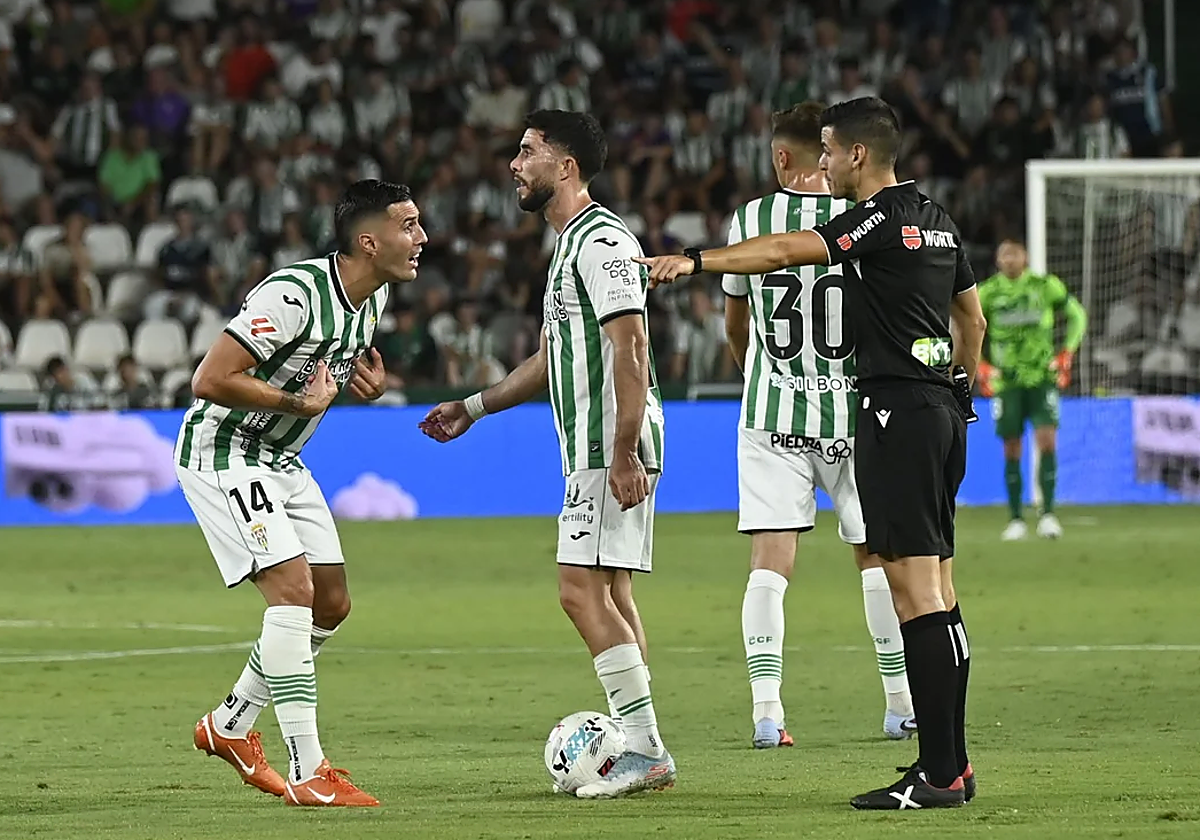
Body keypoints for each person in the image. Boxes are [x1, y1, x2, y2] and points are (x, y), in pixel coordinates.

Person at [636, 97, 988, 811]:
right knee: (940, 594)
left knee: (915, 594)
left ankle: (938, 774)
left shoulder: (874, 218)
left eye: (829, 150)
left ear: (858, 154)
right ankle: (951, 765)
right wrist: (958, 387)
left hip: (892, 414)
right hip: (941, 414)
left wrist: (694, 260)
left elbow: (782, 252)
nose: (823, 163)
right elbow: (972, 321)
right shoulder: (937, 219)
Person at [419, 110, 675, 799]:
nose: (514, 163)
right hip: (601, 442)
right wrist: (473, 407)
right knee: (612, 591)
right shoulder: (568, 247)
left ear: (565, 167)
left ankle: (645, 748)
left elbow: (631, 346)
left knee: (576, 590)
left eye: (527, 151)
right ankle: (640, 743)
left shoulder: (602, 240)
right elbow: (547, 359)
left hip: (608, 442)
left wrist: (622, 452)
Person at [177, 179, 422, 808]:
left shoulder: (374, 297)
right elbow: (210, 378)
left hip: (282, 459)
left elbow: (328, 366)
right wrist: (296, 403)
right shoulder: (293, 295)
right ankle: (309, 769)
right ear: (369, 242)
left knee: (330, 603)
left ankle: (230, 724)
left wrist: (365, 383)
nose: (422, 237)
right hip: (225, 452)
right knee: (292, 592)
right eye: (409, 225)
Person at [721, 101, 914, 750]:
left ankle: (767, 713)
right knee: (876, 556)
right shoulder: (864, 217)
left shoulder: (750, 220)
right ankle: (899, 705)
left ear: (781, 157)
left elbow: (735, 326)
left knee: (770, 562)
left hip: (772, 415)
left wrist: (763, 373)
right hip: (857, 413)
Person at [977, 239, 1086, 541]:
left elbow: (1077, 315)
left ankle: (1048, 514)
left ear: (1024, 257)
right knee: (1011, 447)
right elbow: (965, 325)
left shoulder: (1044, 286)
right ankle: (1015, 518)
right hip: (1007, 381)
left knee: (1047, 441)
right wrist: (980, 365)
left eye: (1014, 254)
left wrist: (1067, 352)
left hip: (1041, 378)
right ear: (997, 260)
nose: (1009, 260)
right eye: (1004, 254)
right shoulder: (988, 292)